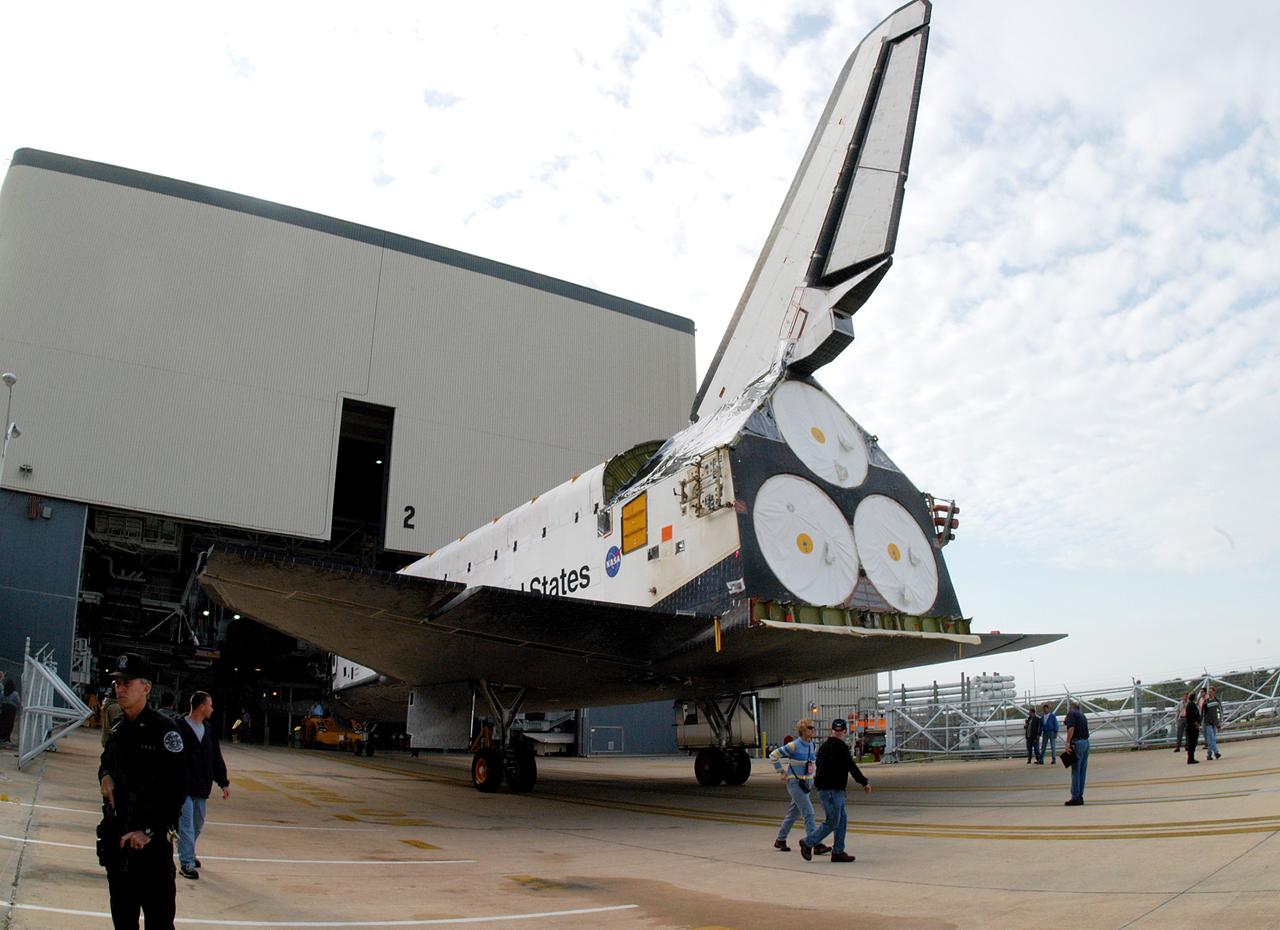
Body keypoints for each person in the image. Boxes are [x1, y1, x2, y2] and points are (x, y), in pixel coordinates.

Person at [98, 653, 186, 929]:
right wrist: (105, 777)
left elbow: (177, 789)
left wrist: (148, 831)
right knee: (123, 923)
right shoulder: (120, 728)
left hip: (151, 849)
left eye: (127, 683)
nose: (120, 688)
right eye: (117, 683)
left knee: (159, 924)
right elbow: (106, 762)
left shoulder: (165, 731)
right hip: (120, 844)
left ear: (146, 688)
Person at [174, 691, 231, 880]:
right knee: (187, 825)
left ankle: (186, 849)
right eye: (210, 705)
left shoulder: (208, 730)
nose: (212, 709)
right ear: (201, 707)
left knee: (198, 824)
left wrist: (223, 782)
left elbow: (216, 757)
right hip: (183, 786)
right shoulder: (179, 727)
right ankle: (187, 863)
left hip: (201, 786)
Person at [799, 718, 870, 863]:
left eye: (838, 731)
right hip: (832, 790)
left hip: (829, 790)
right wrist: (864, 782)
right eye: (839, 732)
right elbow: (852, 767)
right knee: (832, 821)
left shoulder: (824, 747)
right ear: (845, 732)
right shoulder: (841, 748)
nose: (839, 734)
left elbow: (818, 765)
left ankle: (838, 851)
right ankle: (808, 842)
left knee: (841, 820)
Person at [767, 718, 825, 853]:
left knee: (793, 814)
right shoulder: (794, 745)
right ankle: (815, 843)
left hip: (807, 783)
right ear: (803, 730)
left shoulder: (812, 745)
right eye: (810, 728)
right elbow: (773, 755)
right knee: (809, 813)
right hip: (795, 783)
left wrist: (814, 776)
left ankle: (780, 839)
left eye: (813, 728)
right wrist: (781, 771)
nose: (813, 730)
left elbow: (811, 763)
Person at [1062, 700, 1090, 806]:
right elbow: (1067, 723)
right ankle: (1080, 796)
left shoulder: (1071, 714)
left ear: (1070, 708)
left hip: (1077, 743)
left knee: (1075, 771)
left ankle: (1075, 796)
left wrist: (1068, 743)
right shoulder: (1082, 715)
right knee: (1082, 771)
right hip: (1086, 742)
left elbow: (1071, 728)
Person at [1202, 686, 1223, 760]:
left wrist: (1220, 722)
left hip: (1215, 722)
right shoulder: (1206, 701)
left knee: (1211, 739)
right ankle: (1216, 753)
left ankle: (1209, 754)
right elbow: (1203, 713)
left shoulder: (1217, 700)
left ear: (1214, 692)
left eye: (1211, 691)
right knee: (1212, 738)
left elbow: (1220, 712)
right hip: (1207, 723)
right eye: (1209, 692)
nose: (1209, 693)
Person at [0, 679, 20, 744]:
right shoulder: (15, 693)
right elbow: (18, 702)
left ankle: (2, 737)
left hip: (4, 708)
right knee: (10, 724)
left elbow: (1, 699)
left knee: (3, 723)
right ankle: (7, 738)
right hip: (12, 709)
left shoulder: (3, 692)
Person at [1184, 690, 1201, 764]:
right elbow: (1192, 717)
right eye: (1196, 696)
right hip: (1192, 727)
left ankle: (1191, 758)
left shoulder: (1189, 705)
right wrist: (1196, 724)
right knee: (1192, 743)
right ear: (1194, 697)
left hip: (1190, 726)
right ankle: (1191, 758)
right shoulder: (1192, 706)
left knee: (1192, 743)